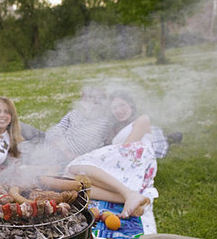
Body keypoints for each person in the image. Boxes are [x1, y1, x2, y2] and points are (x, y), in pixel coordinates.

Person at [63, 90, 158, 218]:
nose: (119, 110)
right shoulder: (115, 128)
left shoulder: (142, 119)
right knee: (72, 182)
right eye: (114, 108)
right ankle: (129, 197)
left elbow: (127, 148)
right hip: (120, 160)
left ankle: (129, 194)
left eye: (122, 105)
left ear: (131, 104)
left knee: (76, 167)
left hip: (131, 159)